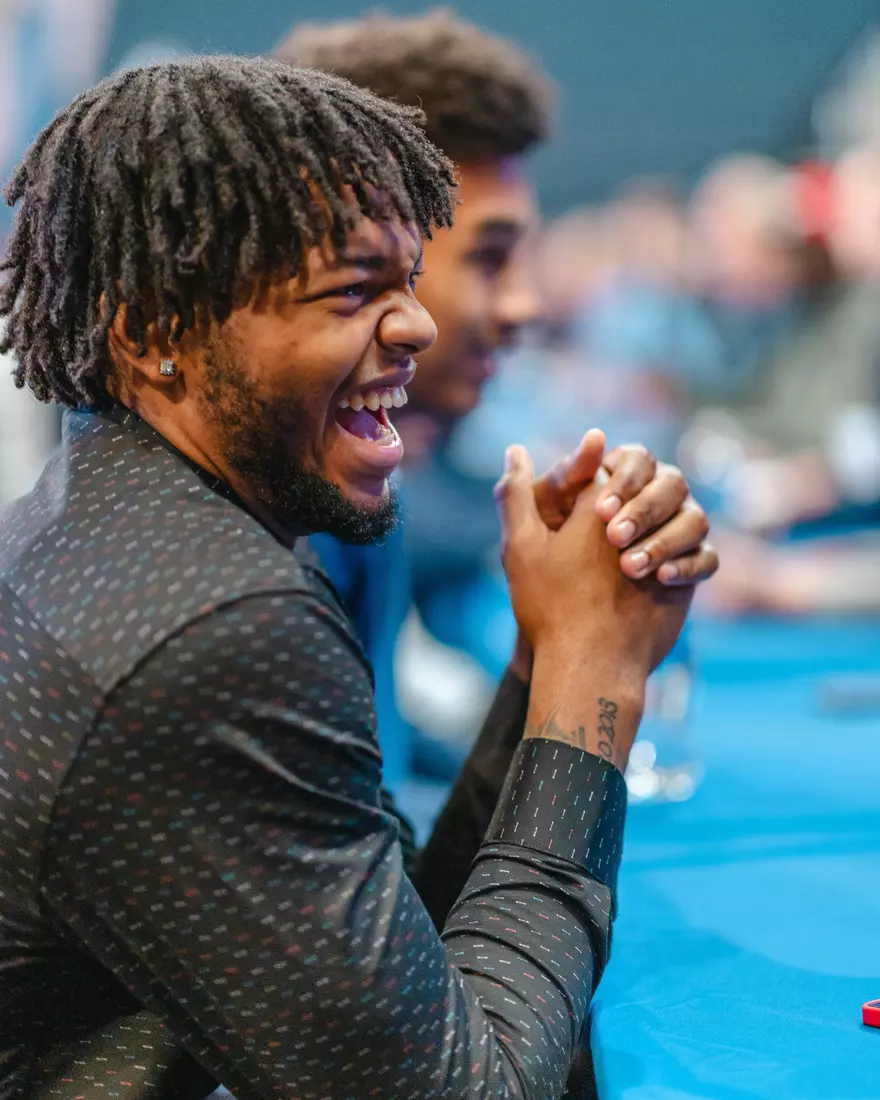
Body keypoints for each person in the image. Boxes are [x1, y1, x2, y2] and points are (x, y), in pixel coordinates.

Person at [0, 56, 717, 1100]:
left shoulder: (135, 517)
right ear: (153, 333)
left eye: (409, 281)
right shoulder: (217, 621)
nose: (417, 325)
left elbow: (399, 959)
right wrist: (593, 678)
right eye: (352, 291)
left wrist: (545, 648)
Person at [277, 13, 717, 780]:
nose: (525, 305)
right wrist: (586, 675)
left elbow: (392, 816)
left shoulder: (360, 485)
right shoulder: (269, 553)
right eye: (490, 256)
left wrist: (548, 648)